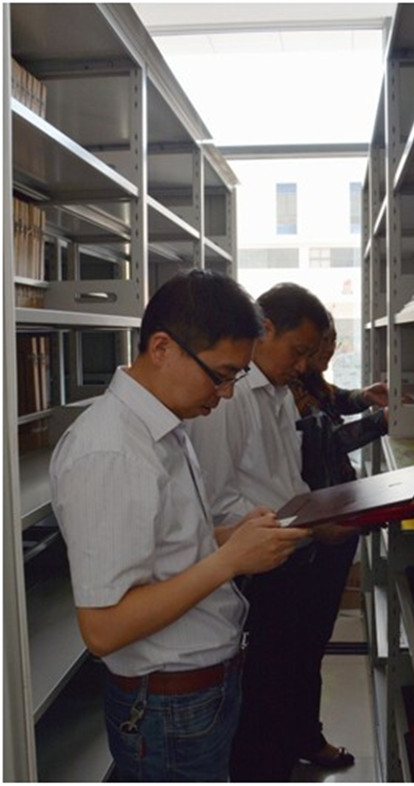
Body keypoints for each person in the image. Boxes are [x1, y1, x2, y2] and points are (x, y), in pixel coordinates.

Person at [49, 270, 307, 783]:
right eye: (221, 374)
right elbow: (103, 629)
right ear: (162, 348)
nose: (227, 394)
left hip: (199, 691)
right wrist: (229, 561)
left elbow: (164, 549)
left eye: (236, 377)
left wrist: (234, 539)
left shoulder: (166, 425)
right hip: (168, 707)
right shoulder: (112, 453)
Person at [189, 282, 353, 782]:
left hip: (290, 552)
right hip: (260, 566)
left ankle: (284, 758)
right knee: (263, 695)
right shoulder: (229, 399)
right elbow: (217, 505)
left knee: (288, 680)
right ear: (264, 330)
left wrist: (314, 516)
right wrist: (301, 526)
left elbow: (285, 480)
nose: (302, 365)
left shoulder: (277, 391)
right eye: (297, 350)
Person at [290, 312, 389, 768]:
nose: (327, 352)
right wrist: (381, 421)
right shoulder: (285, 387)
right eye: (320, 344)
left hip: (333, 520)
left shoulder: (310, 380)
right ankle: (304, 739)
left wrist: (364, 397)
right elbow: (325, 444)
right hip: (314, 531)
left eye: (331, 342)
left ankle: (302, 735)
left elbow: (334, 401)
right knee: (306, 643)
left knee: (313, 640)